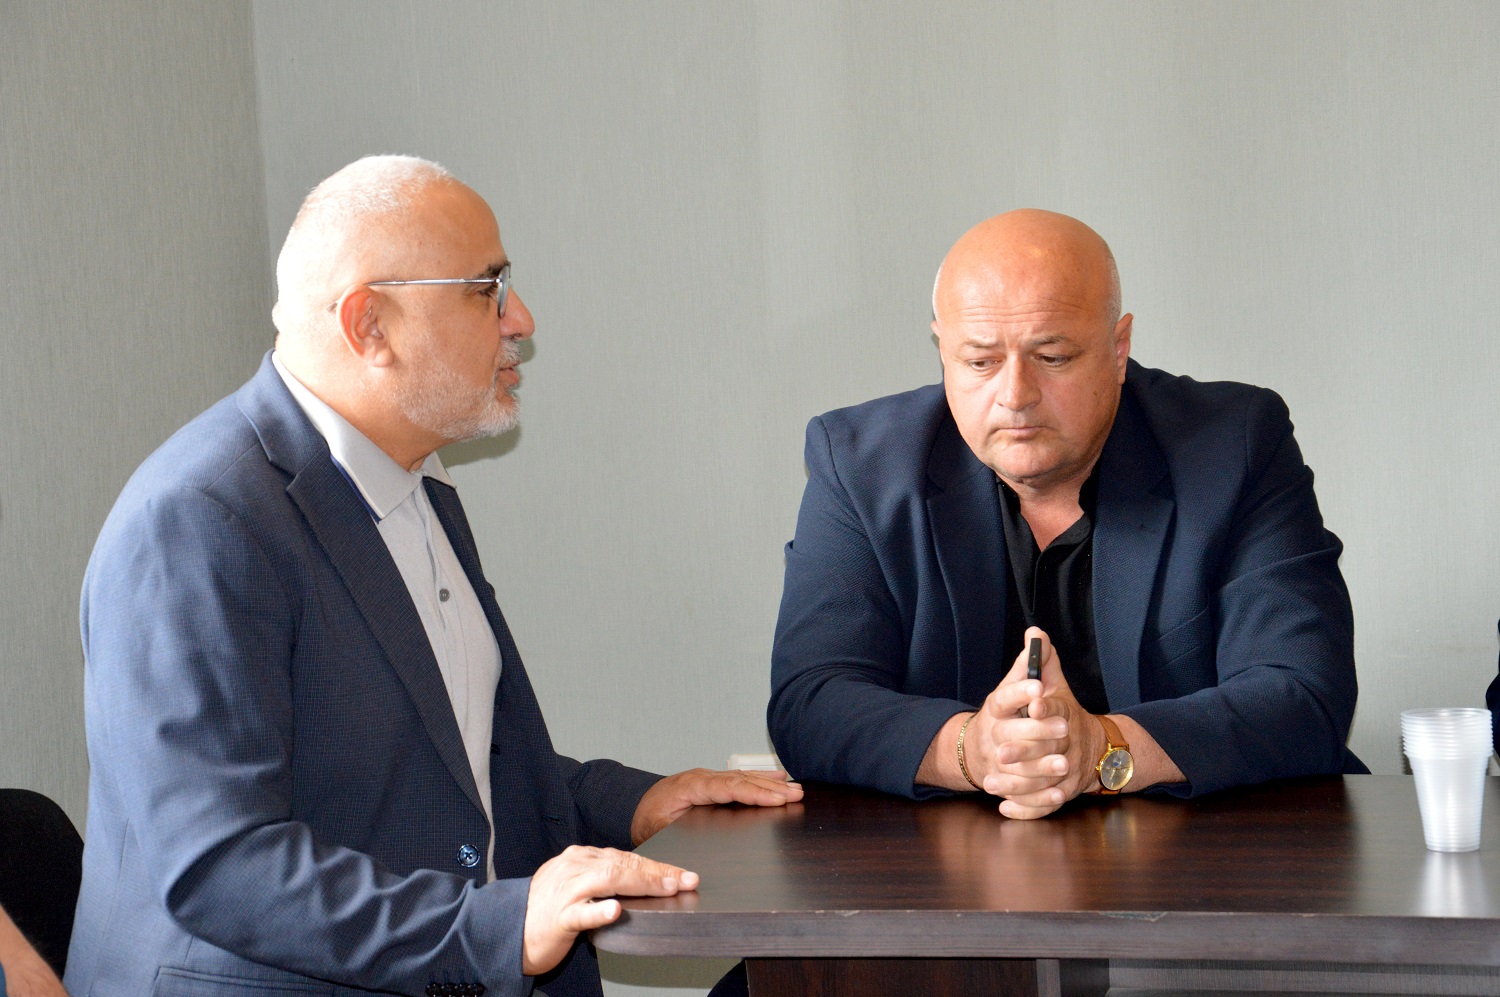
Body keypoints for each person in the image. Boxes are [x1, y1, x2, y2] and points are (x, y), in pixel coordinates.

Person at [66, 155, 801, 997]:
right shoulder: (197, 520)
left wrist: (638, 805)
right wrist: (498, 927)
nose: (521, 318)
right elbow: (219, 863)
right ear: (368, 324)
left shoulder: (413, 481)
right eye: (487, 288)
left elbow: (447, 764)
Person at [768, 209, 1361, 819]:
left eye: (1051, 357)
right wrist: (974, 750)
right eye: (980, 362)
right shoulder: (861, 465)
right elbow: (811, 702)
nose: (1015, 396)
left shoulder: (1233, 447)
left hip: (1211, 851)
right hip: (945, 860)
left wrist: (1101, 750)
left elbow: (1304, 693)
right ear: (943, 350)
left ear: (1118, 349)